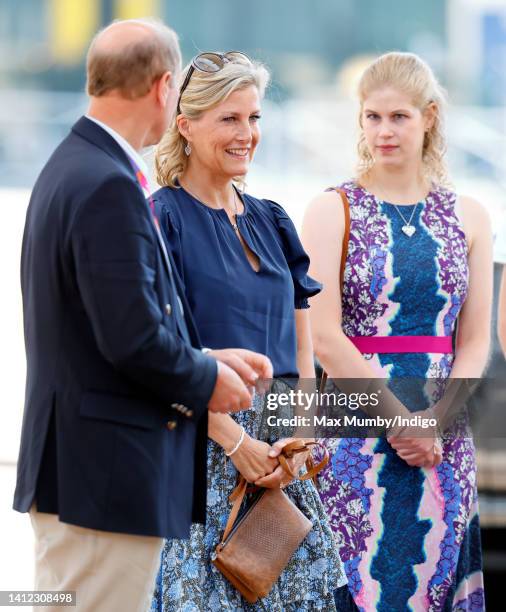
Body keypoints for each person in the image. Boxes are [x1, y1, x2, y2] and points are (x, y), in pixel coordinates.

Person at [13, 19, 272, 612]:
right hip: (101, 478)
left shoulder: (73, 165)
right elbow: (130, 339)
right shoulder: (106, 182)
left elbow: (107, 324)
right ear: (163, 88)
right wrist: (208, 380)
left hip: (82, 472)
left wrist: (204, 357)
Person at [149, 51, 350, 611]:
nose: (247, 134)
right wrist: (236, 443)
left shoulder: (273, 220)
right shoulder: (160, 220)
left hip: (281, 469)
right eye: (230, 119)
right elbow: (154, 354)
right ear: (185, 126)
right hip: (201, 456)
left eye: (255, 118)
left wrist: (302, 436)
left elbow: (302, 345)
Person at [302, 52, 492, 611]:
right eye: (372, 117)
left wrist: (434, 421)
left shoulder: (471, 217)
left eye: (399, 117)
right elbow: (323, 335)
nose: (384, 131)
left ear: (429, 116)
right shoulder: (331, 209)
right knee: (356, 589)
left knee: (434, 586)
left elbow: (475, 339)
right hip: (354, 430)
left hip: (443, 432)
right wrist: (400, 421)